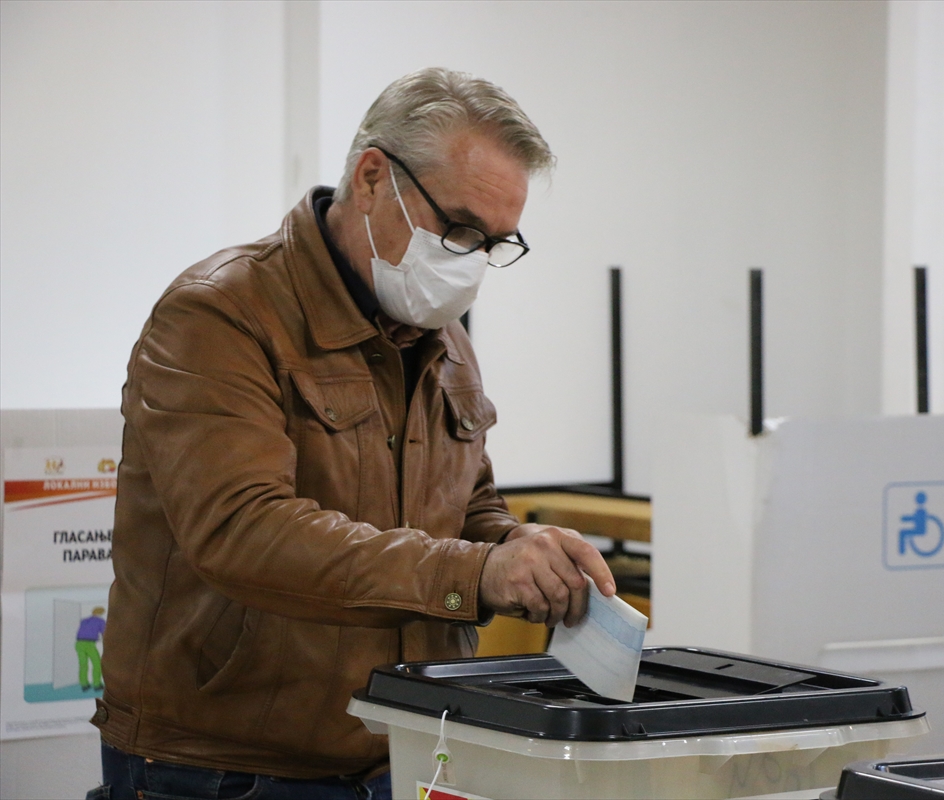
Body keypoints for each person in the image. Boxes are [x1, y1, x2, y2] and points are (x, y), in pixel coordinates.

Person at [90, 68, 615, 800]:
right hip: (223, 768)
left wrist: (519, 548)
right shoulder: (220, 315)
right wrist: (475, 574)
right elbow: (241, 530)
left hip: (405, 750)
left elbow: (466, 508)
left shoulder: (442, 338)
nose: (470, 264)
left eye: (494, 244)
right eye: (459, 229)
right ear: (372, 178)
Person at [76, 606, 105, 692]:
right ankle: (96, 684)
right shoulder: (101, 621)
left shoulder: (84, 620)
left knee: (83, 665)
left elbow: (84, 631)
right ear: (100, 613)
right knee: (97, 664)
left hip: (79, 644)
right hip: (90, 644)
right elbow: (104, 633)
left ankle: (84, 684)